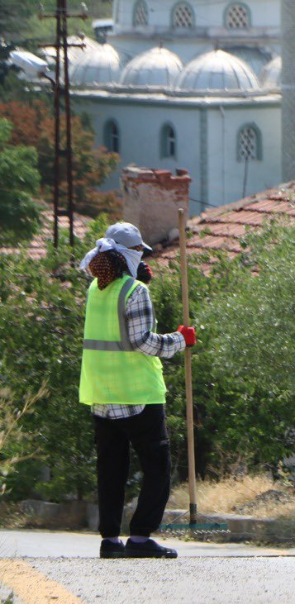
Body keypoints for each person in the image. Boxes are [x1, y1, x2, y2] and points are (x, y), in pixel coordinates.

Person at [79, 222, 196, 559]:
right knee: (157, 466)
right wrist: (180, 340)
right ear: (130, 255)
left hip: (101, 395)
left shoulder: (95, 290)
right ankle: (141, 537)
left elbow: (115, 319)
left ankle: (110, 541)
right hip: (137, 396)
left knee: (111, 469)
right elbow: (143, 342)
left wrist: (135, 279)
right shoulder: (135, 292)